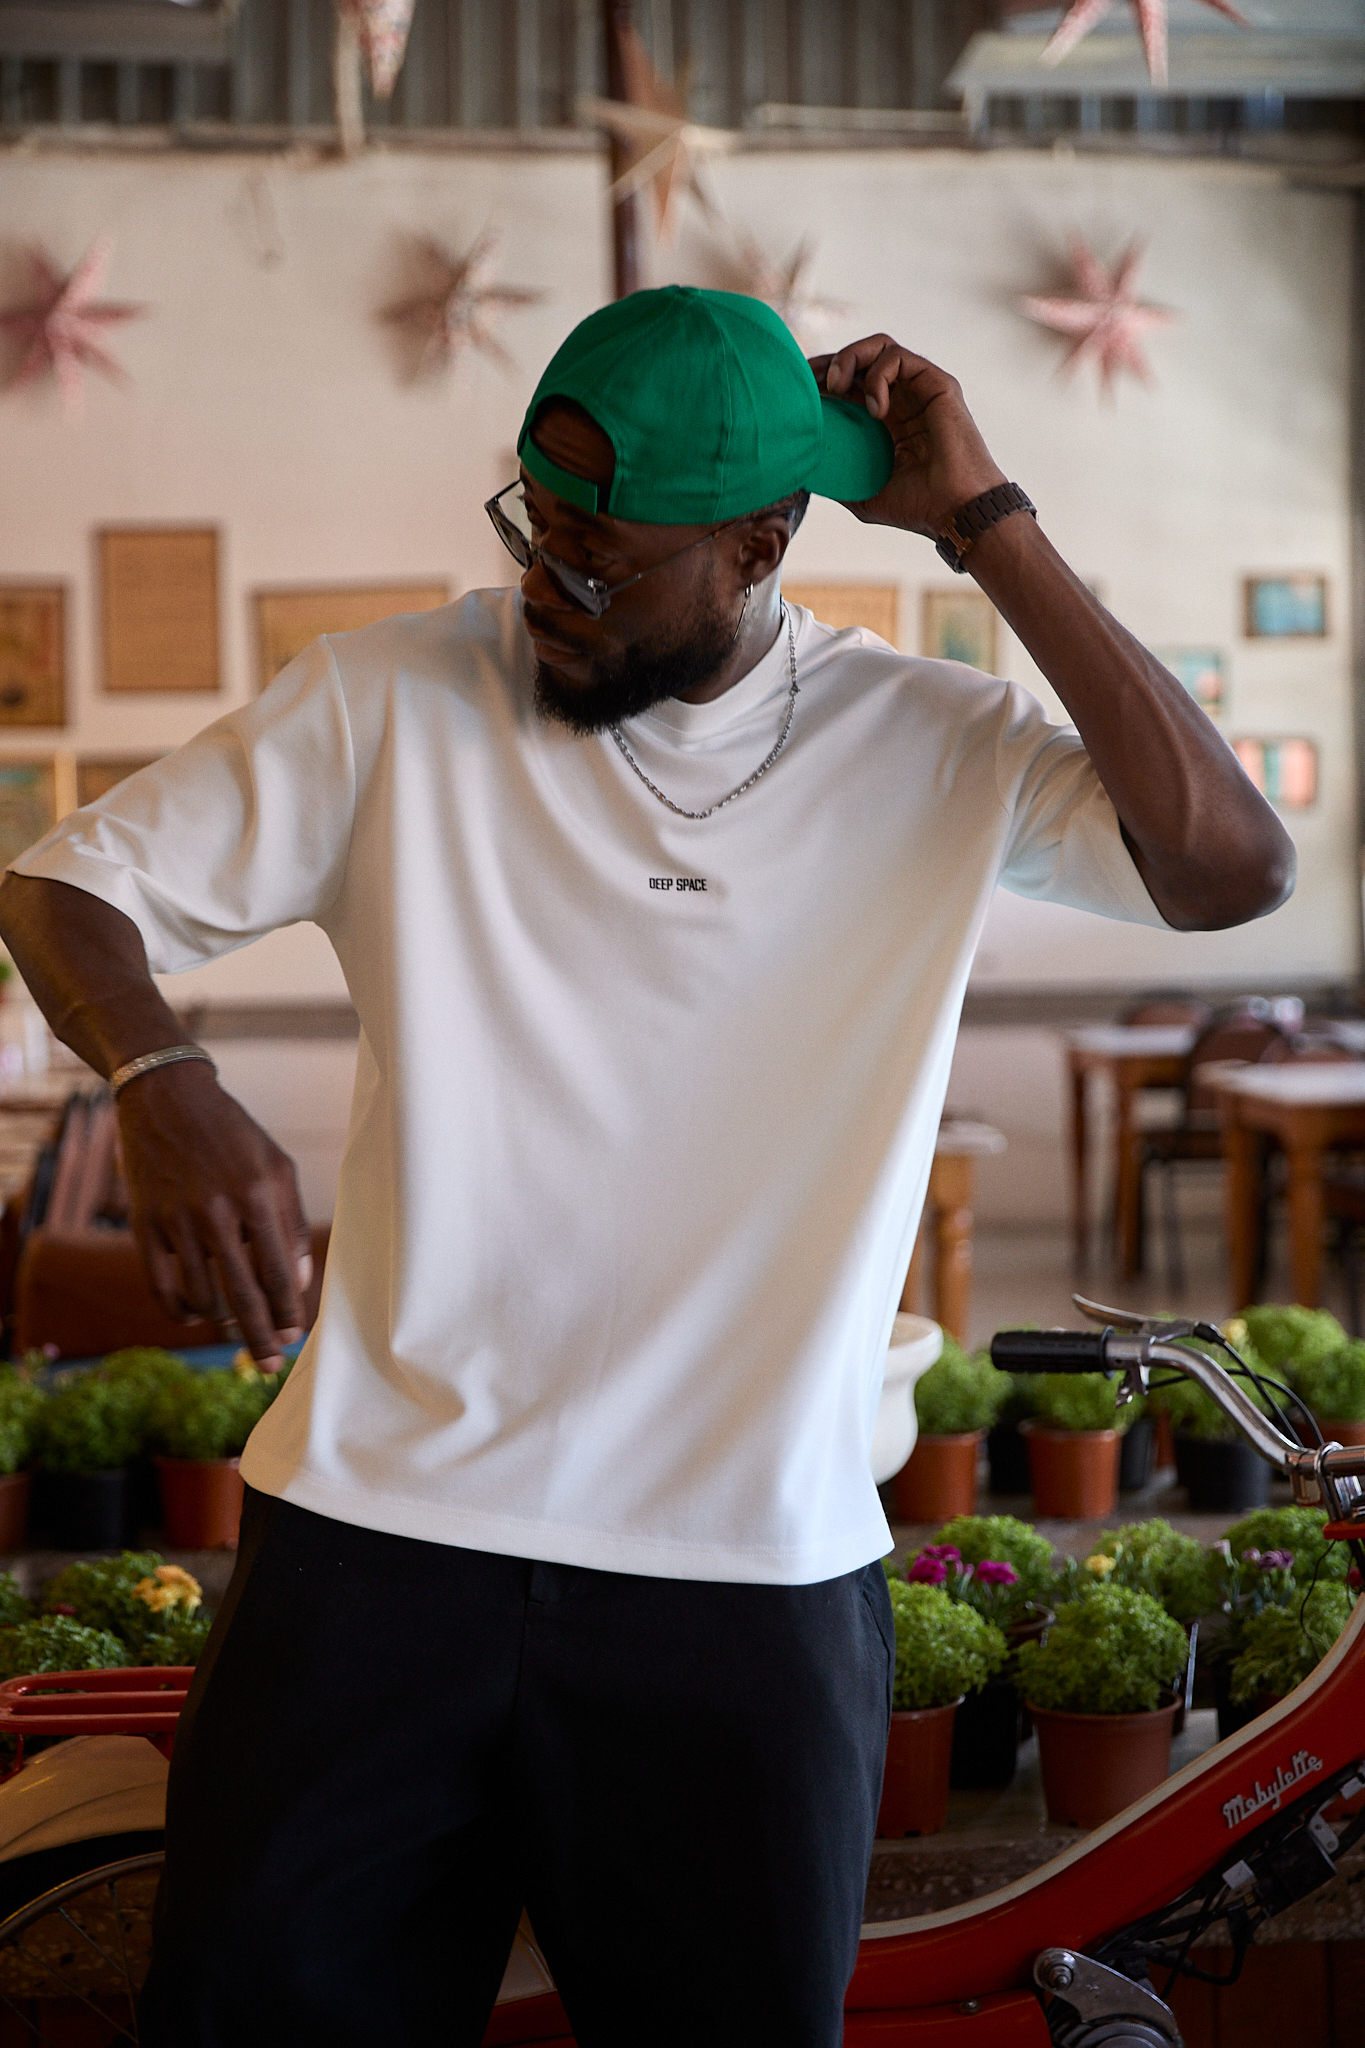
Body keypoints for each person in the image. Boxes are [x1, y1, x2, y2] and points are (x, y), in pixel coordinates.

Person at [0, 287, 1290, 2046]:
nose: (548, 581)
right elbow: (63, 884)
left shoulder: (936, 742)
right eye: (534, 524)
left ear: (761, 540)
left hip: (745, 1578)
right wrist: (160, 1074)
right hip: (376, 1544)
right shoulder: (393, 695)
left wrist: (985, 522)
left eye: (602, 559)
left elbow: (1228, 869)